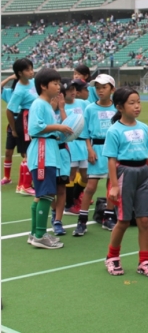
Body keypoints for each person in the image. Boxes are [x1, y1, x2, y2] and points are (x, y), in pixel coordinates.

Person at [104, 87, 148, 278]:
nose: (137, 106)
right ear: (119, 107)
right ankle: (112, 257)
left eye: (138, 102)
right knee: (124, 220)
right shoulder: (114, 131)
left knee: (144, 219)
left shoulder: (144, 128)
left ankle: (145, 260)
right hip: (124, 175)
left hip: (142, 174)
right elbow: (111, 159)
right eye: (132, 103)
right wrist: (113, 185)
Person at [27, 68, 73, 249]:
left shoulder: (47, 105)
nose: (59, 86)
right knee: (46, 194)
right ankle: (40, 235)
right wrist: (58, 127)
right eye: (55, 83)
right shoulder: (39, 104)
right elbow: (34, 128)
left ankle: (34, 233)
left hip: (48, 152)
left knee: (41, 195)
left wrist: (61, 130)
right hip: (42, 153)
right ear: (43, 86)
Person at [73, 74, 118, 236]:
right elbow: (85, 132)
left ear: (112, 89)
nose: (100, 90)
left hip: (113, 151)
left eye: (104, 87)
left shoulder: (117, 108)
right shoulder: (90, 108)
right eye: (97, 87)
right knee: (90, 186)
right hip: (97, 150)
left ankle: (108, 217)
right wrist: (89, 149)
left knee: (112, 186)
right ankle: (82, 221)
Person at [6, 58, 37, 196]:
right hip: (25, 120)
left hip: (34, 119)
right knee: (28, 153)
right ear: (19, 73)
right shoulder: (19, 90)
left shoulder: (33, 82)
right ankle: (25, 186)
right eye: (28, 70)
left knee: (31, 153)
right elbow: (9, 110)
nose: (32, 72)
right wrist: (13, 129)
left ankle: (21, 185)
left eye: (32, 68)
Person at [49, 80, 73, 236]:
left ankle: (58, 221)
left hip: (62, 153)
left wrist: (62, 108)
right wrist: (51, 107)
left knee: (61, 189)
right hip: (49, 154)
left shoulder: (65, 113)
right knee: (49, 191)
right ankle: (53, 210)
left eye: (60, 96)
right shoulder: (44, 110)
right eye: (55, 97)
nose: (57, 99)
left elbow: (69, 130)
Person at [65, 79, 91, 214]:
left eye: (74, 89)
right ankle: (69, 204)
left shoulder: (83, 103)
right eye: (70, 90)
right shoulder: (61, 106)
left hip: (83, 143)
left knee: (86, 175)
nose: (73, 92)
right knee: (71, 173)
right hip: (70, 144)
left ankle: (75, 197)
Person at [1, 74, 17, 185]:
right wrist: (10, 78)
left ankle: (27, 180)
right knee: (8, 152)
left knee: (26, 154)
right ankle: (7, 177)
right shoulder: (9, 93)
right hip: (12, 125)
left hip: (25, 124)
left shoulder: (29, 92)